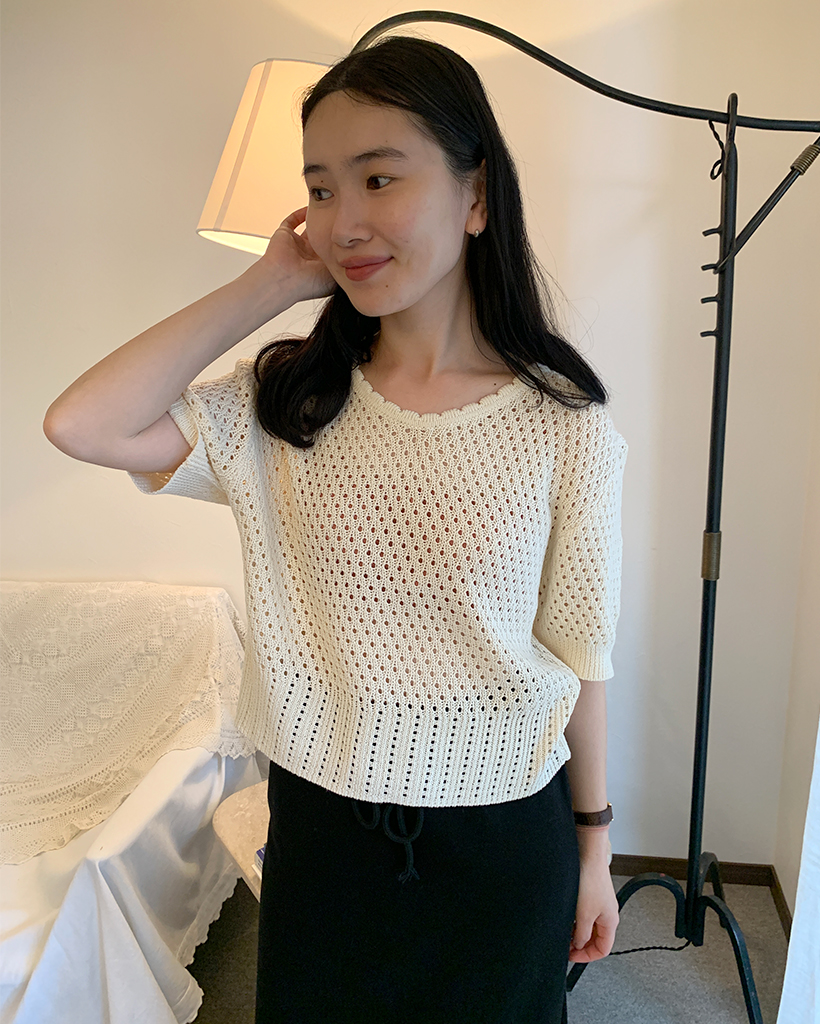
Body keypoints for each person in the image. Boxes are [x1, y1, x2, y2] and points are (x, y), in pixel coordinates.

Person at [44, 34, 626, 1024]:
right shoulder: (285, 405)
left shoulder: (562, 423)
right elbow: (82, 424)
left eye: (378, 178)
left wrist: (595, 848)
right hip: (322, 827)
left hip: (504, 834)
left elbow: (580, 650)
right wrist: (270, 284)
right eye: (320, 188)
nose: (344, 220)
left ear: (476, 196)